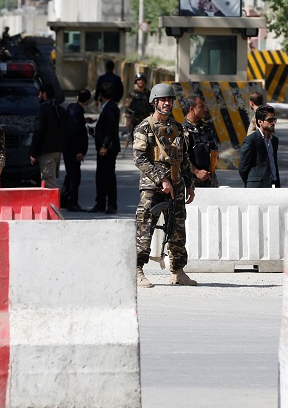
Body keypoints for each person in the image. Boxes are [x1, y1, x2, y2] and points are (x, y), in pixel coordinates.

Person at [133, 83, 197, 288]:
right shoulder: (145, 127)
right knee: (145, 227)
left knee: (178, 229)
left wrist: (189, 184)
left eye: (170, 100)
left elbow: (184, 158)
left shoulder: (177, 128)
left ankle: (177, 271)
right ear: (154, 102)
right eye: (163, 100)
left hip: (176, 185)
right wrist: (162, 179)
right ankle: (137, 270)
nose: (167, 103)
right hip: (152, 186)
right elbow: (140, 158)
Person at [89, 82, 121, 214]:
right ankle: (101, 202)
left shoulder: (111, 108)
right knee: (101, 177)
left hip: (108, 149)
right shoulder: (108, 107)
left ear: (101, 95)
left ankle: (111, 204)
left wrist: (104, 145)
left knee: (108, 177)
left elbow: (110, 130)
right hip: (105, 148)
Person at [29, 84, 66, 189]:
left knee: (49, 182)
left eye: (39, 94)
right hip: (57, 151)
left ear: (44, 94)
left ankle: (53, 205)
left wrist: (33, 152)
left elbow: (38, 132)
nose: (38, 97)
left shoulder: (43, 110)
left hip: (47, 152)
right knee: (52, 178)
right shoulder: (59, 109)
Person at [61, 89, 92, 211]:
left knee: (70, 175)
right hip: (73, 151)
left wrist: (85, 120)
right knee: (75, 177)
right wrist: (78, 151)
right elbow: (74, 132)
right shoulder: (77, 111)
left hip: (68, 148)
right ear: (88, 100)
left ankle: (64, 199)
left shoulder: (72, 108)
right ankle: (72, 202)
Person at [238, 105, 281, 188]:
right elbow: (242, 168)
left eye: (274, 120)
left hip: (274, 186)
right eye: (270, 120)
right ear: (260, 122)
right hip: (256, 188)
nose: (273, 123)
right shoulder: (251, 140)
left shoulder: (274, 141)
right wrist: (253, 182)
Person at [182, 95, 219, 188]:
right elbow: (180, 158)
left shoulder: (205, 128)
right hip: (191, 182)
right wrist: (196, 172)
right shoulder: (182, 130)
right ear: (192, 109)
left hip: (209, 179)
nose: (205, 109)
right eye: (201, 106)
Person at [124, 72, 153, 142]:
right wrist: (128, 120)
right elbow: (127, 107)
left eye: (142, 80)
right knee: (136, 139)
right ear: (136, 81)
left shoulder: (148, 93)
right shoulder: (132, 94)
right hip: (135, 120)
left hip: (146, 120)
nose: (141, 82)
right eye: (139, 80)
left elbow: (152, 106)